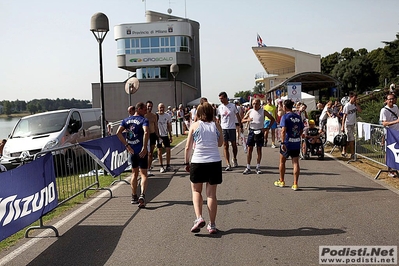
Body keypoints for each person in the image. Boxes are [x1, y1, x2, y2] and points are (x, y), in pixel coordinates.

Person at [184, 102, 223, 234]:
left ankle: (199, 217)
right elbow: (220, 143)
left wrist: (186, 162)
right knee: (211, 194)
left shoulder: (194, 126)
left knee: (196, 191)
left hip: (198, 160)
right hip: (214, 161)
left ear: (199, 114)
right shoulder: (216, 125)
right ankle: (212, 225)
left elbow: (188, 147)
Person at [116, 102, 149, 208]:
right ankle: (142, 195)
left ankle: (134, 195)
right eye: (144, 109)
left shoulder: (126, 120)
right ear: (138, 109)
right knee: (143, 174)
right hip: (140, 151)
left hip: (132, 150)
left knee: (134, 173)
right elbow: (146, 132)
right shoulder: (144, 120)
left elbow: (118, 132)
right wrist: (144, 147)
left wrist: (126, 145)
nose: (146, 111)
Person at [274, 100, 304, 191]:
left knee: (282, 161)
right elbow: (301, 129)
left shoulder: (285, 117)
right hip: (296, 142)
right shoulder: (298, 117)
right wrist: (297, 136)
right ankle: (295, 183)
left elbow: (283, 130)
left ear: (285, 107)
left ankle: (282, 180)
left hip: (287, 142)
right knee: (295, 162)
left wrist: (282, 142)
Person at [241, 98, 275, 174]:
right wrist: (247, 120)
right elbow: (242, 120)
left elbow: (272, 119)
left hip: (260, 131)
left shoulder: (263, 111)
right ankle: (248, 167)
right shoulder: (250, 111)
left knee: (259, 149)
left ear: (259, 104)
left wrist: (267, 128)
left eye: (256, 104)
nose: (254, 105)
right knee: (250, 149)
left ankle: (258, 166)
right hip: (252, 131)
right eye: (253, 104)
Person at [217, 91, 242, 170]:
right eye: (219, 99)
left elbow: (238, 116)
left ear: (225, 98)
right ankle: (228, 163)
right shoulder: (219, 107)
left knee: (234, 145)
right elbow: (218, 119)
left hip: (232, 128)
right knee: (225, 146)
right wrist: (217, 128)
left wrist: (240, 125)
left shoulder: (233, 106)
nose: (221, 100)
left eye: (222, 98)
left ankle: (234, 158)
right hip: (223, 128)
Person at [380, 93, 399, 177]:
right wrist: (396, 122)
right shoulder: (384, 110)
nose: (391, 100)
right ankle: (389, 170)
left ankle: (395, 168)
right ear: (386, 101)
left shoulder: (396, 107)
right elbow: (384, 123)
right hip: (389, 133)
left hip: (397, 132)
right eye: (389, 99)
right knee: (389, 151)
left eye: (392, 99)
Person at [341, 92, 361, 159]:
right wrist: (342, 126)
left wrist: (356, 104)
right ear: (351, 97)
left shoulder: (354, 105)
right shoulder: (347, 106)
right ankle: (352, 153)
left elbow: (360, 110)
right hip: (348, 124)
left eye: (356, 98)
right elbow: (344, 116)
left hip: (353, 124)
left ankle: (344, 150)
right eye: (354, 98)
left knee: (348, 140)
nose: (355, 99)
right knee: (351, 139)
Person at [157, 103, 173, 173]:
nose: (162, 109)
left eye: (163, 107)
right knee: (159, 150)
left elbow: (169, 125)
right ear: (158, 108)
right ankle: (161, 166)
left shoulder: (167, 116)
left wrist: (170, 135)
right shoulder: (156, 115)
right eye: (160, 107)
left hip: (165, 135)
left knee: (168, 150)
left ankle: (168, 165)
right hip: (158, 136)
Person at [145, 100, 160, 176]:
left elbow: (156, 126)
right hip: (146, 136)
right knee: (146, 153)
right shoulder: (144, 115)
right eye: (148, 106)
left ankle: (148, 168)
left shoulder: (154, 115)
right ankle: (144, 168)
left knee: (150, 153)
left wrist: (158, 135)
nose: (149, 107)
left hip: (153, 134)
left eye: (151, 106)